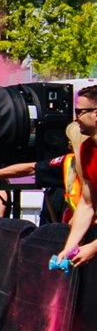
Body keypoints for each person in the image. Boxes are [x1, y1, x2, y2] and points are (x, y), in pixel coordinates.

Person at [62, 86, 97, 267]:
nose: (75, 119)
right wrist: (69, 247)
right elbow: (87, 203)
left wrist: (93, 247)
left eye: (79, 112)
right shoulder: (87, 149)